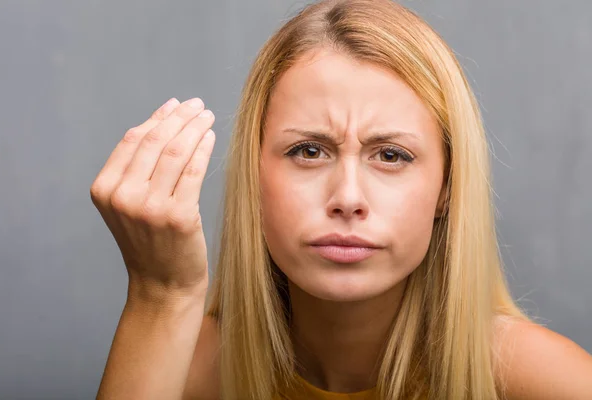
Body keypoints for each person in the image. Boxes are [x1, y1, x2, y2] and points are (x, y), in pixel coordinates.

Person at [90, 0, 592, 399]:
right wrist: (161, 296)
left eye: (391, 155)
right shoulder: (181, 372)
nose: (347, 198)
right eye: (308, 151)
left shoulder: (540, 381)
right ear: (252, 175)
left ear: (447, 189)